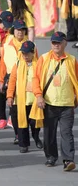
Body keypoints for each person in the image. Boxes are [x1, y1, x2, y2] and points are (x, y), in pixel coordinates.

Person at [30, 32, 78, 171]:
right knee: (49, 133)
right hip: (49, 103)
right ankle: (51, 156)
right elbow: (36, 79)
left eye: (58, 42)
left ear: (65, 43)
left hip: (67, 104)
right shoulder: (44, 59)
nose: (56, 45)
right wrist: (38, 96)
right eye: (53, 43)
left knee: (66, 133)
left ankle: (68, 160)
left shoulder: (72, 60)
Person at [6, 40, 42, 153]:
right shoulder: (17, 64)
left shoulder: (39, 65)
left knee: (34, 123)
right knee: (21, 122)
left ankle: (36, 137)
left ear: (33, 52)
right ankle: (23, 144)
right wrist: (10, 96)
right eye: (23, 53)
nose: (25, 56)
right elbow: (12, 81)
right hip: (20, 100)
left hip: (34, 101)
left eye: (27, 53)